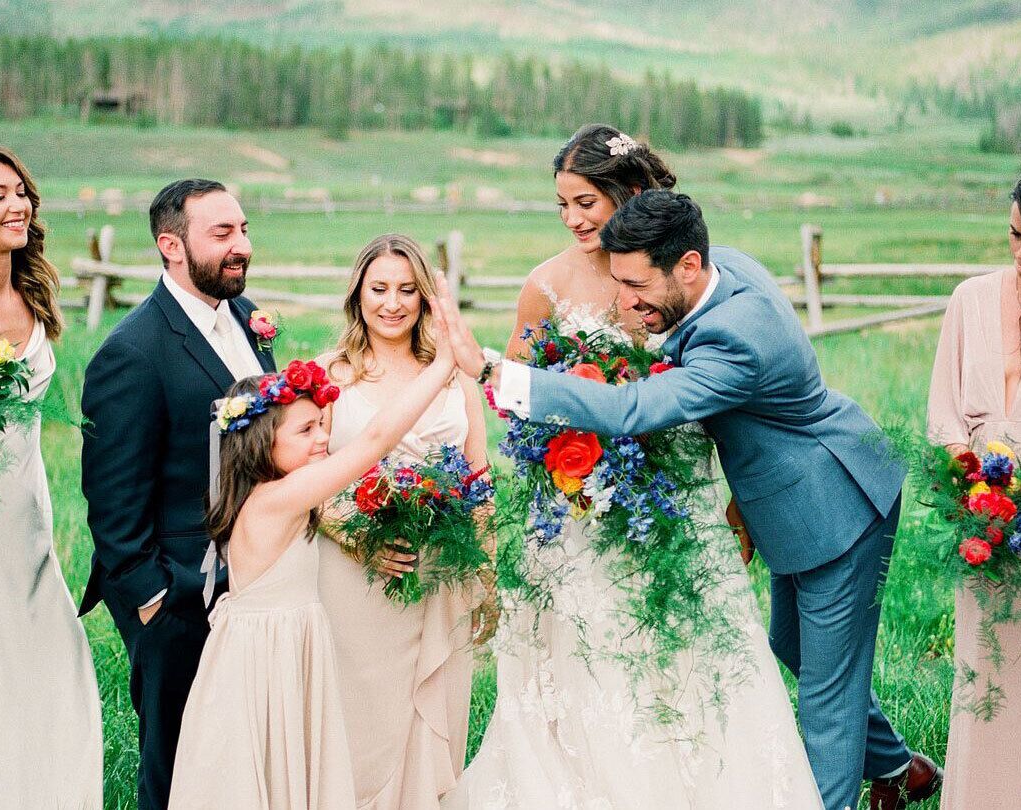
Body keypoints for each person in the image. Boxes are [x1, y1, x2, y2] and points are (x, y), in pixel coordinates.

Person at [435, 186, 944, 810]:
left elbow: (632, 409)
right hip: (787, 495)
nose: (625, 302)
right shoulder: (725, 262)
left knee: (825, 701)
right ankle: (897, 768)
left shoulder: (732, 341)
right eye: (618, 284)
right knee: (793, 646)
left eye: (637, 288)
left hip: (835, 504)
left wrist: (494, 372)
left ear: (687, 267)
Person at [443, 126, 822, 810]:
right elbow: (518, 401)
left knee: (697, 654)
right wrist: (568, 451)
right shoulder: (546, 286)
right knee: (589, 660)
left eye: (585, 200)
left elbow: (720, 404)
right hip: (578, 513)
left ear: (631, 193)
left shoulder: (687, 277)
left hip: (680, 499)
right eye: (562, 205)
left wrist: (735, 500)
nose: (573, 219)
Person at [170, 346, 459, 808]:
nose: (322, 439)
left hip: (276, 646)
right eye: (305, 430)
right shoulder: (279, 498)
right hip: (267, 658)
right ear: (262, 441)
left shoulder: (272, 494)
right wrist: (444, 365)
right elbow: (375, 440)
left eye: (322, 425)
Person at [80, 178, 276, 809]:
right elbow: (112, 498)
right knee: (175, 768)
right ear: (171, 245)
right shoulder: (132, 352)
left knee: (237, 759)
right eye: (222, 234)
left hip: (251, 583)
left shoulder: (246, 320)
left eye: (243, 229)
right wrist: (152, 599)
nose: (241, 245)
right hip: (177, 595)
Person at [0, 144, 102, 808]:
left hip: (27, 520)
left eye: (21, 193)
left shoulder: (32, 295)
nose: (17, 205)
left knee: (52, 661)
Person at [315, 233, 493, 809]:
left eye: (407, 290)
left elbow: (477, 478)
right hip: (354, 574)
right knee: (360, 720)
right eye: (379, 289)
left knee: (434, 713)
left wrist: (485, 576)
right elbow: (301, 482)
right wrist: (358, 537)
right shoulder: (326, 376)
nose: (392, 303)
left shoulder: (452, 375)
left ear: (424, 299)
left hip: (443, 570)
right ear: (357, 295)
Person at [928, 172, 1021, 810]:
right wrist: (977, 495)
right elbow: (943, 418)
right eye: (1016, 235)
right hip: (985, 523)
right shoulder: (970, 300)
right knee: (988, 672)